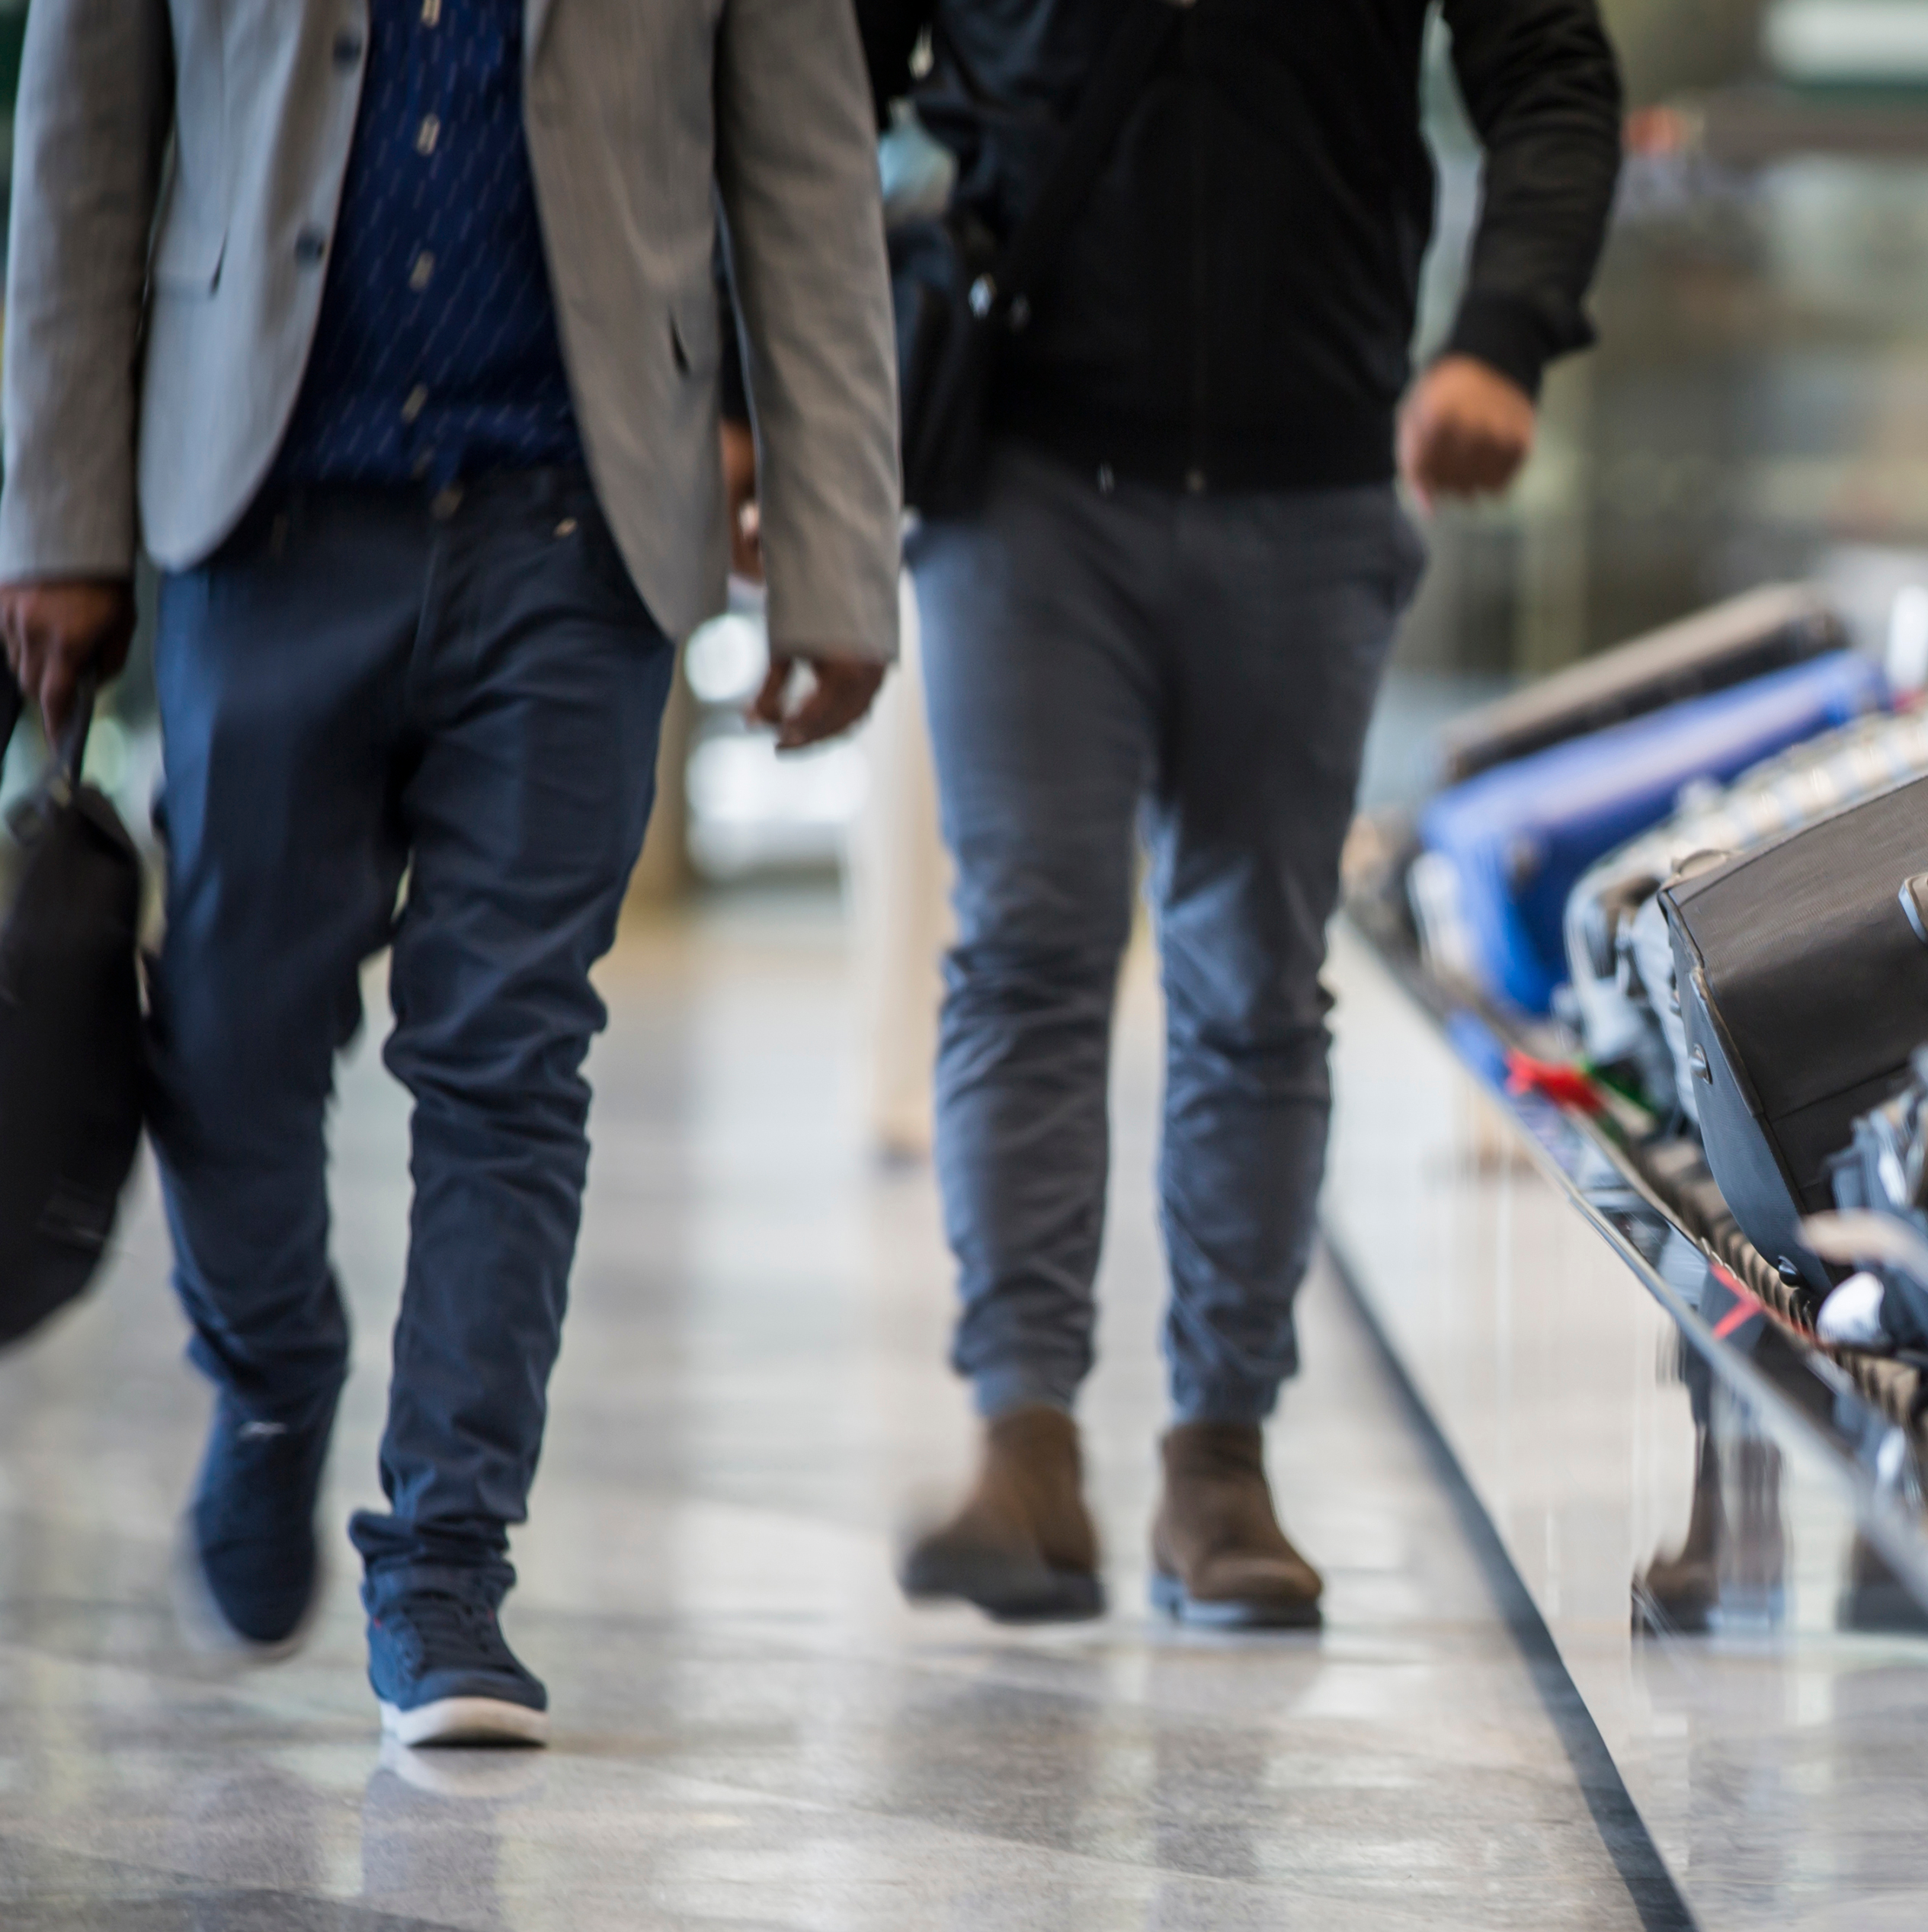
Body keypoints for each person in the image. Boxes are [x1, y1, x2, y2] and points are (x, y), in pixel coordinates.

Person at [0, 0, 903, 1745]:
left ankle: (446, 1561)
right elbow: (81, 144)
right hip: (266, 517)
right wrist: (58, 515)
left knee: (507, 1045)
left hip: (576, 527)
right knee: (231, 1037)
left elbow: (806, 172)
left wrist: (840, 557)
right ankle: (273, 1378)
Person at [861, 0, 1620, 1630]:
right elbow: (798, 82)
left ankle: (1219, 1463)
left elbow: (1549, 70)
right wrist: (752, 380)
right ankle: (1026, 1445)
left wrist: (1501, 331)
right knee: (1028, 949)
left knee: (1254, 979)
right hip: (1026, 468)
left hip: (1310, 471)